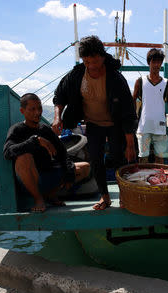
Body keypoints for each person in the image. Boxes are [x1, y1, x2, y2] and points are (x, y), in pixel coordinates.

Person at [52, 35, 137, 210]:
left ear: (103, 57)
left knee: (118, 158)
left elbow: (128, 112)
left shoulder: (116, 78)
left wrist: (130, 144)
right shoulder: (76, 75)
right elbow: (60, 96)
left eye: (95, 61)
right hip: (93, 124)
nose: (92, 66)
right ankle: (105, 198)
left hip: (115, 125)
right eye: (87, 62)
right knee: (96, 160)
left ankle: (125, 197)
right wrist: (57, 117)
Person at [3, 93, 90, 212]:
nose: (37, 112)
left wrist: (69, 173)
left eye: (39, 108)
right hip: (30, 180)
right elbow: (8, 152)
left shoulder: (45, 129)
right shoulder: (17, 129)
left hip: (48, 176)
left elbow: (62, 153)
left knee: (85, 167)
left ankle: (50, 194)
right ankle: (38, 199)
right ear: (22, 111)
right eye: (32, 109)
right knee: (24, 157)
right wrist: (34, 141)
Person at [132, 48, 168, 164]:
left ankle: (158, 181)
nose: (156, 65)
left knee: (160, 159)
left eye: (159, 62)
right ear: (149, 62)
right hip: (143, 126)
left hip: (160, 127)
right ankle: (143, 181)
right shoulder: (140, 81)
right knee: (143, 158)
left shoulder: (166, 83)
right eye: (154, 61)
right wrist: (132, 118)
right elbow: (132, 100)